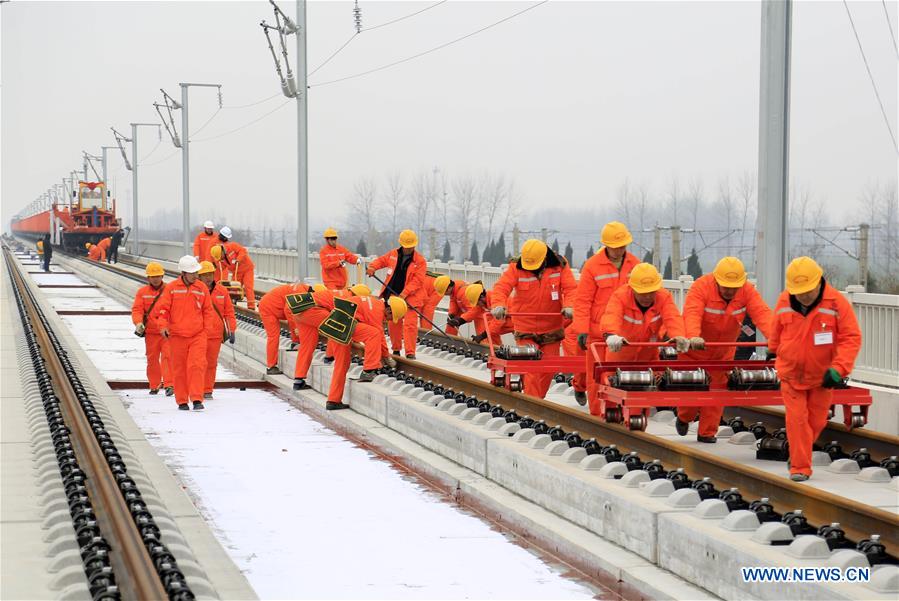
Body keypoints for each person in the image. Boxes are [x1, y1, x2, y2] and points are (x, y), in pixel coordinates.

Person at [768, 257, 861, 482]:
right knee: (797, 419)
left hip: (822, 377)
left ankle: (800, 452)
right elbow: (776, 329)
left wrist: (839, 368)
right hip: (790, 373)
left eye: (808, 291)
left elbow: (851, 338)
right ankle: (800, 467)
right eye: (799, 292)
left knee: (817, 421)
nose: (804, 296)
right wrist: (772, 350)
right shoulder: (784, 300)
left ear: (819, 282)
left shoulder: (836, 303)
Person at [675, 257, 773, 442]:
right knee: (690, 395)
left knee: (717, 392)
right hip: (694, 351)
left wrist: (777, 340)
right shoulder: (701, 287)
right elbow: (692, 312)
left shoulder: (747, 291)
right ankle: (684, 417)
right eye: (725, 286)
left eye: (733, 287)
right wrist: (693, 335)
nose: (729, 291)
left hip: (722, 352)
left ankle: (707, 433)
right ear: (716, 280)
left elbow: (763, 314)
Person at [491, 239, 577, 398]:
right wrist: (498, 305)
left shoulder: (560, 265)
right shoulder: (516, 267)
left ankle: (536, 401)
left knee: (547, 368)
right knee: (531, 368)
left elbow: (571, 289)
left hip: (552, 329)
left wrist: (570, 305)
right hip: (525, 329)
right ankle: (533, 408)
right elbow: (501, 287)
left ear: (544, 258)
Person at [598, 263, 688, 414]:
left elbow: (673, 318)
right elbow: (611, 316)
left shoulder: (664, 297)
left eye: (651, 292)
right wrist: (611, 334)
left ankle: (638, 426)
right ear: (632, 288)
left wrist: (678, 336)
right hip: (619, 356)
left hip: (648, 357)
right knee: (612, 400)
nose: (647, 296)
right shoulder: (620, 297)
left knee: (643, 399)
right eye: (642, 292)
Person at [568, 222, 640, 405]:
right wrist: (582, 330)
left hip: (624, 332)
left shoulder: (636, 265)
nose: (619, 250)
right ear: (606, 245)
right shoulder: (593, 266)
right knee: (596, 376)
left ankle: (615, 412)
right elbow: (583, 300)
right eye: (615, 247)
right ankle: (596, 415)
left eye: (623, 246)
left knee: (620, 376)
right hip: (597, 332)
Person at [155, 255, 216, 411]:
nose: (196, 275)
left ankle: (196, 399)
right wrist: (163, 326)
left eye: (196, 272)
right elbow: (163, 310)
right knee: (179, 368)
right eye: (193, 272)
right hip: (177, 336)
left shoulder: (201, 288)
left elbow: (208, 311)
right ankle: (182, 401)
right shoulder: (172, 288)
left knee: (197, 366)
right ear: (183, 273)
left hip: (198, 335)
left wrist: (207, 329)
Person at [366, 230, 427, 358]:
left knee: (410, 325)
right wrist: (372, 267)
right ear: (402, 245)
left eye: (411, 247)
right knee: (394, 323)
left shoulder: (420, 261)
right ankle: (396, 350)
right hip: (393, 295)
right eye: (407, 246)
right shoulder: (393, 254)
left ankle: (410, 353)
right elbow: (381, 261)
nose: (409, 249)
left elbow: (418, 281)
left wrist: (404, 294)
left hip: (411, 298)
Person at [131, 262, 173, 396]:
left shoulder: (170, 290)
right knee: (152, 359)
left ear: (162, 276)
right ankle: (154, 385)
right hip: (151, 333)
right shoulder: (142, 292)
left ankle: (169, 384)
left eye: (158, 276)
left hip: (167, 332)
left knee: (168, 357)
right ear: (148, 278)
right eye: (153, 276)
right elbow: (137, 309)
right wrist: (138, 323)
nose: (156, 279)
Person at [198, 261, 236, 400]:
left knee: (211, 363)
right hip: (198, 334)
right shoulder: (196, 290)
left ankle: (207, 390)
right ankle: (195, 389)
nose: (208, 277)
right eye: (205, 275)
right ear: (199, 276)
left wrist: (231, 330)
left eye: (210, 274)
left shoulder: (222, 291)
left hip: (215, 335)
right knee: (198, 363)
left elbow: (229, 313)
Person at [258, 282, 311, 375]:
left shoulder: (302, 289)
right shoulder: (300, 293)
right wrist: (296, 330)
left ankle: (294, 343)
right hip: (268, 309)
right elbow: (289, 311)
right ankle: (271, 366)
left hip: (271, 306)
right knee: (273, 337)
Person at [211, 226, 256, 309]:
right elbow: (222, 268)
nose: (221, 259)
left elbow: (243, 251)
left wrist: (238, 259)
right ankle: (233, 304)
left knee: (248, 286)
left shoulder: (232, 246)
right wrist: (213, 268)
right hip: (237, 272)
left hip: (247, 269)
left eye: (220, 257)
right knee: (234, 288)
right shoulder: (222, 259)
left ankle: (251, 306)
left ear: (222, 252)